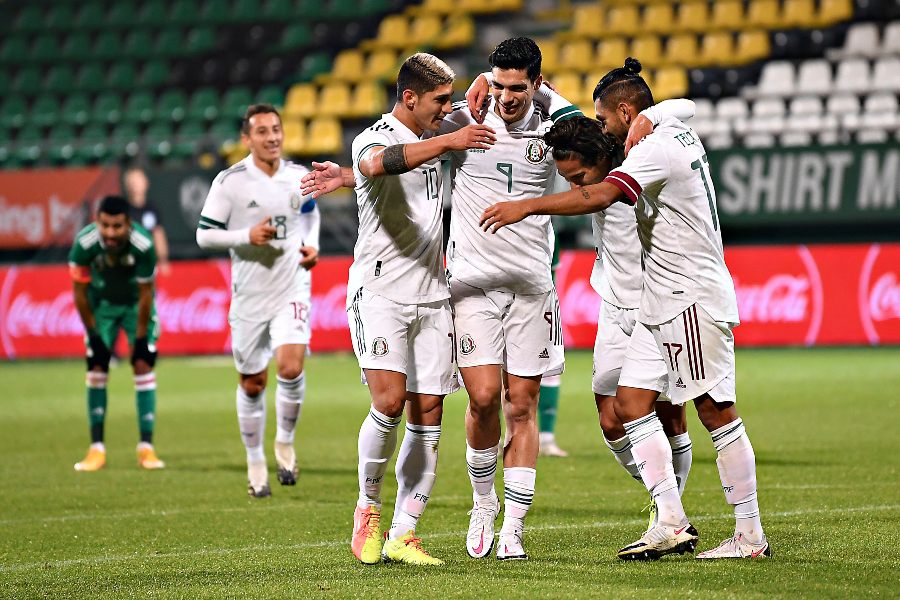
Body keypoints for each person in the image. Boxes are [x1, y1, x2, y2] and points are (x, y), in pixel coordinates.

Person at [479, 58, 770, 560]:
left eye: (605, 116)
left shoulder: (643, 156)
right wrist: (495, 82)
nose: (600, 126)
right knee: (628, 405)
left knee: (714, 410)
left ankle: (749, 535)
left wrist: (526, 206)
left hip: (687, 294)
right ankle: (672, 519)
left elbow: (604, 194)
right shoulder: (663, 131)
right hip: (659, 299)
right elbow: (677, 106)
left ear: (626, 109)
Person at [302, 53, 495, 566]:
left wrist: (481, 81)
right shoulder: (372, 135)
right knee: (389, 402)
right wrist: (449, 142)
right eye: (439, 101)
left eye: (450, 101)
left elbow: (500, 96)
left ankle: (405, 532)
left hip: (433, 292)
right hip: (380, 292)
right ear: (409, 98)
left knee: (429, 415)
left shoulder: (441, 122)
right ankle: (367, 509)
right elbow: (374, 164)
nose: (449, 110)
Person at [440, 37, 585, 561]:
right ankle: (483, 503)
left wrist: (550, 100)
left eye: (517, 88)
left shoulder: (553, 126)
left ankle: (514, 527)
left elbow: (590, 137)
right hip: (473, 283)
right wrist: (470, 87)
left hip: (530, 286)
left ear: (538, 85)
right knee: (481, 399)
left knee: (521, 405)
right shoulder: (466, 118)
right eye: (497, 84)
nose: (504, 97)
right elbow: (411, 129)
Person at [541, 114, 695, 530]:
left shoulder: (637, 167)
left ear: (601, 158)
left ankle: (670, 514)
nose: (576, 185)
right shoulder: (590, 144)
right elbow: (543, 97)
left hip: (655, 308)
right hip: (614, 307)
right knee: (610, 419)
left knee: (668, 416)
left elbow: (684, 107)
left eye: (579, 176)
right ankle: (666, 503)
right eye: (567, 178)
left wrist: (651, 115)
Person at [196, 104, 321, 498]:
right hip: (250, 295)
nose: (272, 137)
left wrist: (311, 243)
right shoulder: (230, 181)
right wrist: (244, 236)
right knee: (253, 383)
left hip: (292, 286)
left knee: (290, 366)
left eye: (276, 129)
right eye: (262, 131)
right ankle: (254, 460)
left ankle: (284, 442)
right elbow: (204, 235)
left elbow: (310, 213)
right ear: (246, 139)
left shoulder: (299, 177)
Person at [69, 195, 164, 472]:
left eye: (117, 227)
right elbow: (79, 294)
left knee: (143, 363)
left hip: (135, 305)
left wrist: (141, 339)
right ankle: (96, 449)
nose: (111, 233)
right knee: (97, 367)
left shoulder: (144, 245)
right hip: (102, 306)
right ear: (97, 222)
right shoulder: (84, 244)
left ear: (128, 225)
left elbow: (147, 295)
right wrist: (95, 336)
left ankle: (146, 448)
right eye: (105, 226)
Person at [123, 166, 171, 277]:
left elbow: (158, 235)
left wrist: (163, 260)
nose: (135, 186)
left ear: (146, 183)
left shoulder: (152, 210)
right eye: (132, 182)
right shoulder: (123, 210)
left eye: (138, 181)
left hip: (148, 263)